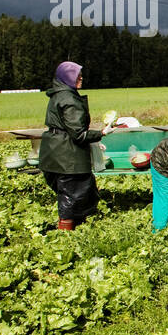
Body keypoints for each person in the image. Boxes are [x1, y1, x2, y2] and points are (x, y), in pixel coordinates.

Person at [39, 61, 113, 230]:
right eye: (77, 75)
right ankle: (66, 235)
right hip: (68, 158)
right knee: (74, 195)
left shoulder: (57, 95)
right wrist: (102, 133)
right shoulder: (70, 99)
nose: (81, 78)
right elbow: (79, 134)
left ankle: (76, 228)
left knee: (71, 193)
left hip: (53, 153)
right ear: (67, 77)